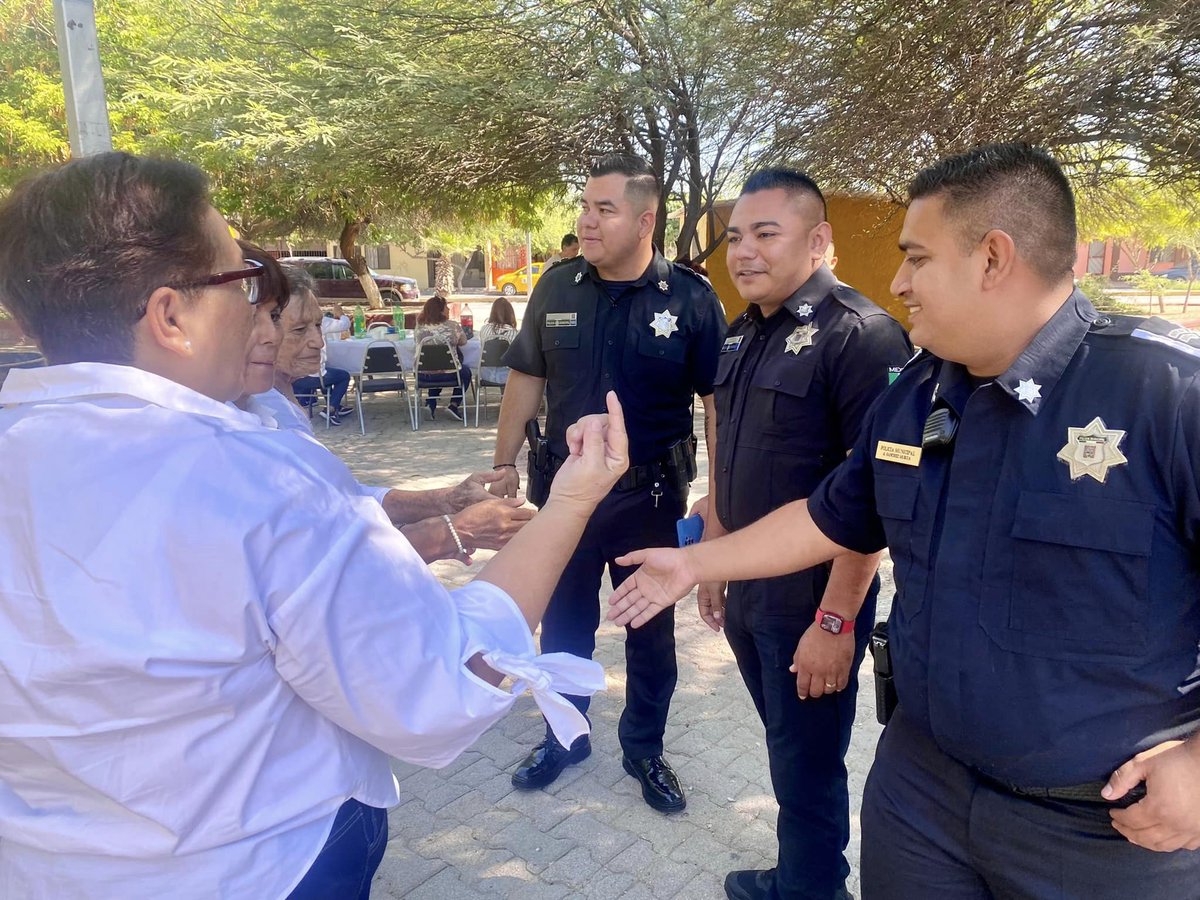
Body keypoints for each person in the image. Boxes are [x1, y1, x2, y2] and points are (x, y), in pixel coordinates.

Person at [0, 151, 629, 898]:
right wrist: (571, 502)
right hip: (260, 861)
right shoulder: (252, 481)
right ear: (172, 317)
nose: (258, 311)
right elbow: (433, 684)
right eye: (240, 283)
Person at [608, 143, 1200, 898]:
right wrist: (693, 563)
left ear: (993, 258)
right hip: (923, 797)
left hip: (1103, 835)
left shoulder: (1166, 395)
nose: (897, 282)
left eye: (916, 258)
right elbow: (831, 519)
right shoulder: (921, 392)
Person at [489, 152, 727, 812]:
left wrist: (724, 498)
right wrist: (503, 462)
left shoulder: (690, 298)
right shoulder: (557, 288)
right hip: (564, 497)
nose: (585, 221)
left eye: (604, 209)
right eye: (584, 207)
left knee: (649, 630)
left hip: (648, 499)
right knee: (564, 624)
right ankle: (565, 737)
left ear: (646, 219)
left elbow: (717, 403)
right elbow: (527, 379)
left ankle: (644, 748)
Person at [699, 169, 912, 900]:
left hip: (812, 600)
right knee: (788, 750)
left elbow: (876, 501)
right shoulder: (741, 332)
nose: (744, 252)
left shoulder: (863, 335)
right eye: (735, 237)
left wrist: (836, 618)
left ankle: (812, 888)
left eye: (766, 233)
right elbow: (726, 444)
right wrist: (712, 557)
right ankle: (803, 875)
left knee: (810, 761)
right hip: (750, 590)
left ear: (818, 240)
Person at [237, 247, 532, 567]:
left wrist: (448, 501)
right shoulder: (256, 417)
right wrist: (451, 532)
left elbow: (345, 497)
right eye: (300, 330)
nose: (319, 342)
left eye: (319, 326)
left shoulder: (278, 400)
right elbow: (317, 552)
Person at [415, 293, 471, 421]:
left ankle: (431, 403)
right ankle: (454, 405)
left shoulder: (419, 327)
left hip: (423, 374)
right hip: (449, 374)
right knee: (464, 371)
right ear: (440, 310)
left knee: (436, 365)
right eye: (446, 307)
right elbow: (463, 341)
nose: (449, 309)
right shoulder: (452, 326)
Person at [478, 297, 519, 386]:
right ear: (511, 314)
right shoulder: (514, 333)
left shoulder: (484, 329)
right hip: (507, 376)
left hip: (485, 375)